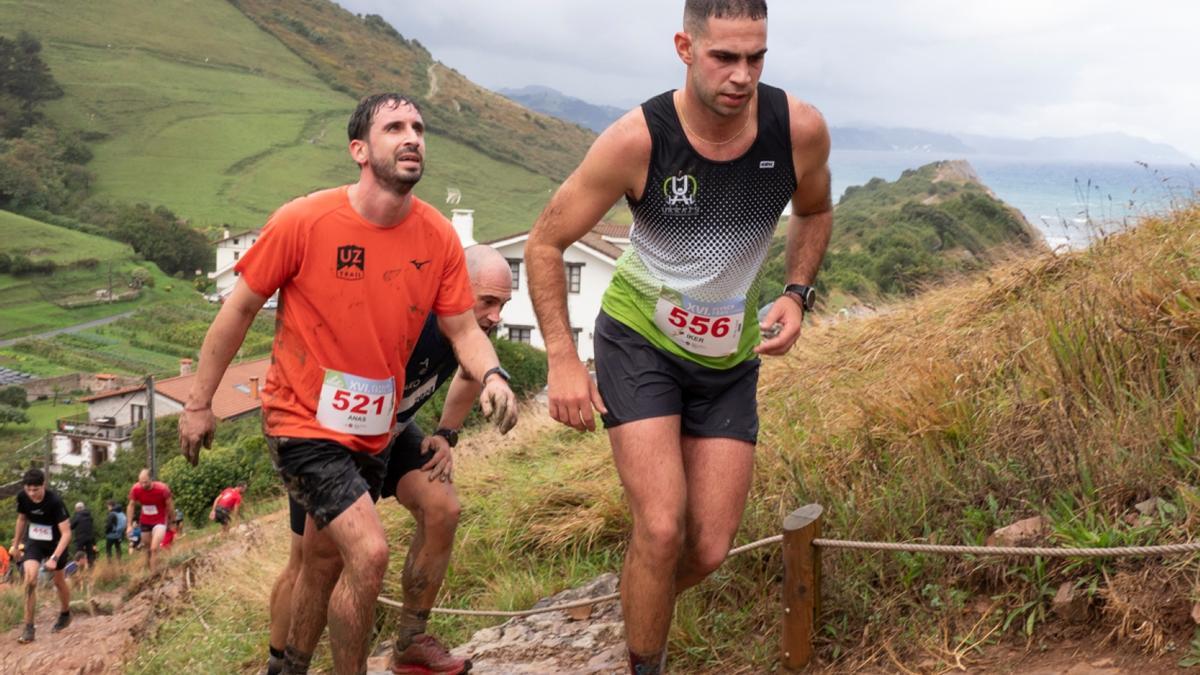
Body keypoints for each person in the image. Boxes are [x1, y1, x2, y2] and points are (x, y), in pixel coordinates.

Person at [524, 2, 833, 672]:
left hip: (727, 357)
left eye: (756, 57)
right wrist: (561, 359)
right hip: (641, 341)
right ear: (685, 48)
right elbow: (545, 242)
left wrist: (795, 292)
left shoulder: (797, 130)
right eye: (724, 56)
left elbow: (815, 207)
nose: (742, 75)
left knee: (709, 548)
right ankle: (643, 661)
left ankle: (636, 601)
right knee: (661, 525)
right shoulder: (637, 140)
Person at [178, 92, 519, 675]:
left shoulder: (435, 236)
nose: (412, 136)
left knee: (323, 559)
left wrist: (491, 373)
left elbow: (463, 329)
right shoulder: (303, 220)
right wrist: (198, 402)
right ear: (359, 150)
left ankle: (293, 667)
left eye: (418, 126)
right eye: (394, 127)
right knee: (369, 550)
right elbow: (237, 311)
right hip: (302, 421)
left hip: (376, 430)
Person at [263, 244, 514, 675]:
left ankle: (411, 642)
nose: (495, 316)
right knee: (310, 558)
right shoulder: (408, 316)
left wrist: (446, 433)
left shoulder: (469, 331)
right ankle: (279, 661)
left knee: (443, 509)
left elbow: (471, 371)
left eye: (503, 305)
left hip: (392, 429)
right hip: (331, 433)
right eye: (487, 301)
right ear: (455, 288)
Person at [8, 468, 72, 643]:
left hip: (56, 544)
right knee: (30, 580)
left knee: (59, 582)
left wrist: (55, 558)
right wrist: (15, 546)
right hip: (34, 542)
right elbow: (22, 519)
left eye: (35, 490)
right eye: (28, 490)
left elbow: (66, 534)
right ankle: (29, 627)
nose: (31, 494)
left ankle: (65, 613)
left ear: (43, 485)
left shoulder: (55, 501)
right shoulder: (22, 497)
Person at [126, 469, 175, 572]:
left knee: (154, 548)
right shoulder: (136, 489)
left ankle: (154, 574)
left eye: (146, 482)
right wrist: (129, 525)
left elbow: (170, 505)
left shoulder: (162, 489)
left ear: (151, 479)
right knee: (148, 549)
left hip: (160, 521)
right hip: (145, 522)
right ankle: (152, 568)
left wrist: (172, 521)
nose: (143, 485)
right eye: (141, 482)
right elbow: (131, 506)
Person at [69, 501, 97, 570]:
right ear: (83, 508)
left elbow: (71, 526)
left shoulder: (77, 516)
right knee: (90, 553)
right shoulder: (89, 516)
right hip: (89, 538)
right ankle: (91, 569)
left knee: (79, 554)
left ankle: (79, 569)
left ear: (77, 509)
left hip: (80, 538)